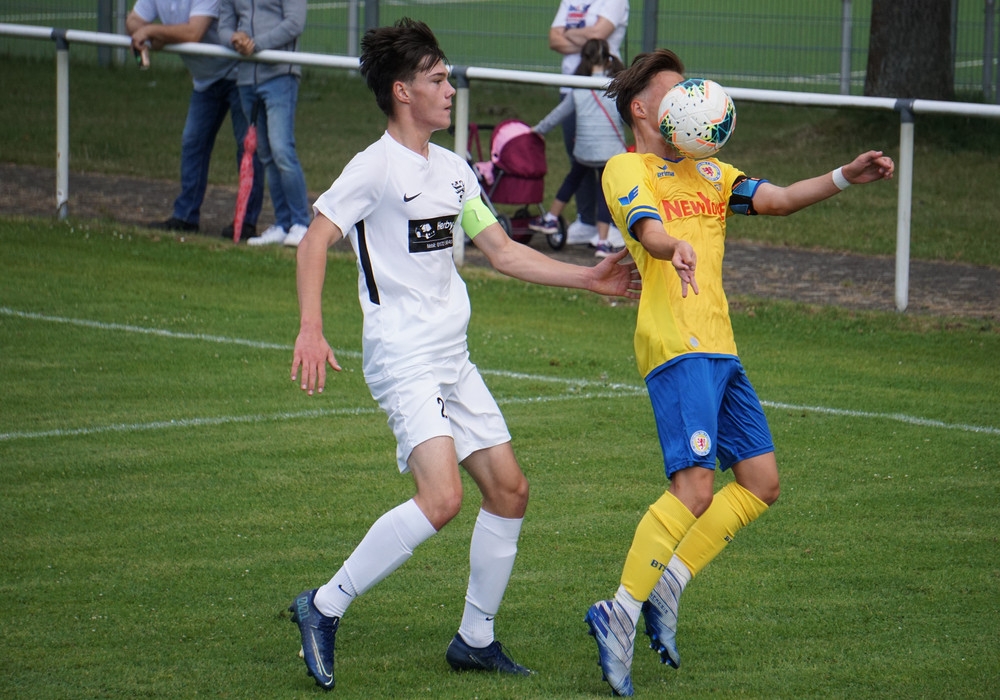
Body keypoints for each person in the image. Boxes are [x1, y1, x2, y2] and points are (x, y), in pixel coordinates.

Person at [287, 18, 640, 692]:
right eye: (437, 78)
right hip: (402, 356)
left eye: (448, 76)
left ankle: (475, 639)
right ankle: (324, 605)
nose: (450, 88)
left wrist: (588, 277)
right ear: (402, 92)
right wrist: (311, 326)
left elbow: (502, 251)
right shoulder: (374, 167)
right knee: (443, 497)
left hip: (454, 357)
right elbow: (314, 240)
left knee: (509, 491)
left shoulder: (451, 171)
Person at [585, 49, 895, 696]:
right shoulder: (626, 167)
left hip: (721, 347)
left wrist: (844, 175)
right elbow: (645, 227)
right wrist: (676, 245)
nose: (686, 103)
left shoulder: (711, 171)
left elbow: (776, 199)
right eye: (673, 94)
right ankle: (618, 609)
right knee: (695, 487)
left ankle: (667, 584)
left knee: (760, 483)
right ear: (643, 109)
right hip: (675, 344)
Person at [127, 0, 263, 241]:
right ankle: (186, 217)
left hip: (239, 73)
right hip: (204, 80)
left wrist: (151, 32)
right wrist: (145, 32)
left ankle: (246, 223)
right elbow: (133, 20)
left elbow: (193, 32)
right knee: (192, 142)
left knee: (247, 148)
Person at [218, 0, 311, 247]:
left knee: (282, 150)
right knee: (265, 153)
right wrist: (234, 39)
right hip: (246, 78)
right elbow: (224, 26)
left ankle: (301, 223)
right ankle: (282, 223)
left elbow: (294, 23)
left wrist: (257, 45)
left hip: (280, 75)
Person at [530, 37, 626, 258]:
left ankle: (552, 217)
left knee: (572, 179)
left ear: (584, 59)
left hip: (584, 151)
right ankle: (603, 242)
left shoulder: (578, 88)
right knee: (605, 193)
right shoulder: (617, 88)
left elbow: (558, 115)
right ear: (609, 58)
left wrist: (539, 129)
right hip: (611, 152)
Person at [548, 0, 629, 247]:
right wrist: (587, 39)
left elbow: (599, 36)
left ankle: (612, 226)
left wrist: (570, 34)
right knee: (578, 158)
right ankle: (586, 220)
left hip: (604, 91)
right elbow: (554, 40)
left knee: (607, 164)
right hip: (572, 90)